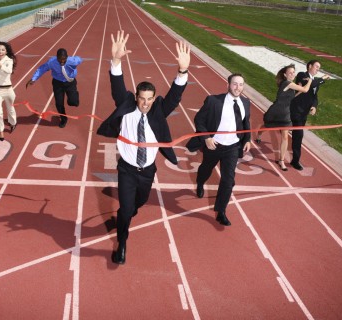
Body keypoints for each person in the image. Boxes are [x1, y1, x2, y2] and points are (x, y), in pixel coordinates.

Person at [97, 30, 190, 265]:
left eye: (150, 98)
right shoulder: (126, 106)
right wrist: (116, 60)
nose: (146, 103)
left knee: (138, 204)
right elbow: (117, 85)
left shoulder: (159, 110)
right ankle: (122, 243)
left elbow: (175, 96)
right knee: (127, 210)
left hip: (148, 171)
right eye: (142, 98)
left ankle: (126, 214)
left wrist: (182, 71)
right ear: (136, 97)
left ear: (154, 98)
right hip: (127, 170)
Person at [186, 73, 251, 227]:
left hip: (233, 147)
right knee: (205, 170)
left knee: (228, 180)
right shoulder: (213, 101)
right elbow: (199, 120)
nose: (238, 87)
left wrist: (247, 139)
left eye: (241, 84)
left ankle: (221, 211)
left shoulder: (246, 102)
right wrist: (207, 138)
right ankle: (200, 182)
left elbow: (245, 122)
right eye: (234, 84)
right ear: (227, 85)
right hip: (214, 145)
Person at [255, 64, 312, 171]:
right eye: (290, 73)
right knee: (267, 126)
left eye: (293, 72)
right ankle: (259, 134)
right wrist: (310, 80)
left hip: (285, 113)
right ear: (285, 75)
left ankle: (281, 161)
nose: (292, 74)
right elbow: (305, 89)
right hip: (276, 111)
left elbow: (292, 97)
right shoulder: (287, 83)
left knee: (285, 136)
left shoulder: (290, 84)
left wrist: (298, 90)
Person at [26, 48, 82, 128]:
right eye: (60, 59)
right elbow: (42, 68)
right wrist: (34, 78)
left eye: (64, 59)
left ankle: (74, 97)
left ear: (67, 57)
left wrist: (75, 64)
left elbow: (80, 59)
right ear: (56, 57)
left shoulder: (72, 60)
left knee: (73, 102)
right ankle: (63, 119)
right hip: (57, 83)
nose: (62, 61)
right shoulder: (52, 62)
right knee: (59, 103)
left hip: (70, 82)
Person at [290, 60, 330, 170]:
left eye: (319, 67)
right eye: (317, 66)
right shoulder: (301, 75)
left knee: (296, 133)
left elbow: (314, 96)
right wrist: (323, 79)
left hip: (304, 113)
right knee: (298, 135)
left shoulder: (315, 80)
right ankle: (295, 161)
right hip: (296, 110)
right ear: (309, 66)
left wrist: (314, 106)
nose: (318, 69)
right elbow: (311, 84)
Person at [0, 41, 17, 141]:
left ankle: (13, 123)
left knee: (10, 109)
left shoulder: (9, 60)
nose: (0, 51)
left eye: (2, 49)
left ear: (6, 51)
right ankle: (0, 131)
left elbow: (9, 71)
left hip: (8, 90)